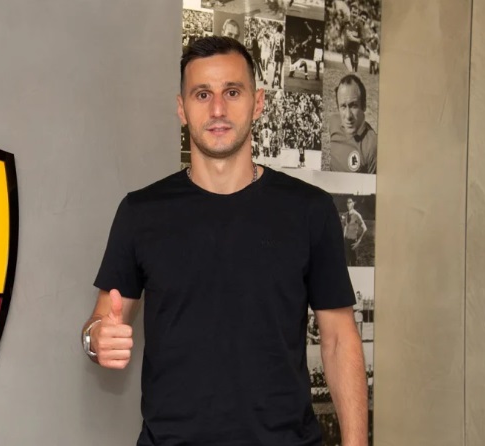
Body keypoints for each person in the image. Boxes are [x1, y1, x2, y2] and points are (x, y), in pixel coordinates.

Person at [81, 36, 367, 445]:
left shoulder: (310, 209)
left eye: (232, 92)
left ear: (258, 102)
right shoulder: (140, 212)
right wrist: (96, 340)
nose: (217, 109)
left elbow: (339, 340)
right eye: (202, 94)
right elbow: (101, 321)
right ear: (182, 108)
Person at [327, 74, 377, 173]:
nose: (348, 116)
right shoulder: (333, 122)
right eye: (343, 106)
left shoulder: (372, 145)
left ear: (364, 106)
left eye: (353, 106)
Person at [343, 197, 368, 265]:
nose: (348, 204)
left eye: (350, 202)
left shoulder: (357, 215)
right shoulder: (345, 215)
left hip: (353, 243)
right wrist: (343, 239)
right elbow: (345, 226)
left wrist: (358, 242)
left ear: (353, 203)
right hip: (346, 242)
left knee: (353, 264)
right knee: (346, 264)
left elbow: (365, 228)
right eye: (347, 202)